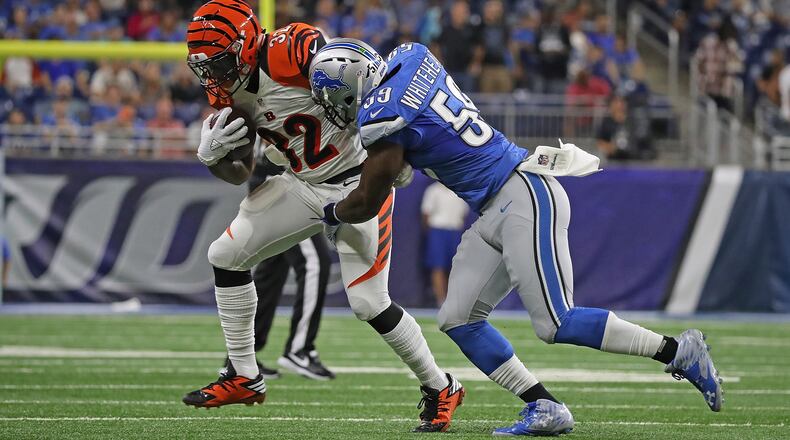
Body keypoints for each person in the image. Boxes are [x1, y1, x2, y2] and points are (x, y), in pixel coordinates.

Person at [309, 39, 723, 436]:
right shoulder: (411, 58)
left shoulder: (382, 116)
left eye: (331, 96)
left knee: (556, 321)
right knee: (458, 318)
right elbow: (417, 142)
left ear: (350, 86)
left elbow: (365, 201)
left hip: (521, 193)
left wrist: (329, 213)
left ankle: (676, 351)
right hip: (494, 205)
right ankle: (543, 405)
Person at [181, 2, 463, 432]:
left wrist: (395, 150)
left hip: (358, 183)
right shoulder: (227, 89)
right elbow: (238, 170)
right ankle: (244, 375)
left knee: (370, 303)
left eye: (218, 62)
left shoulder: (289, 52)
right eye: (205, 67)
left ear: (244, 44)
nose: (212, 76)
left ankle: (442, 386)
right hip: (301, 183)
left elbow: (366, 81)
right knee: (225, 254)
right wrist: (213, 158)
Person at [228, 153, 334, 381]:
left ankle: (241, 358)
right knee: (314, 263)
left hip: (271, 181)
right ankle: (300, 349)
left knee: (272, 268)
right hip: (281, 186)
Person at [421, 182, 468, 305]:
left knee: (456, 267)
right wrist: (432, 232)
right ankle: (441, 301)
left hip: (455, 231)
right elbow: (426, 213)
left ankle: (455, 301)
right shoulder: (433, 191)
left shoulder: (460, 191)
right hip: (437, 231)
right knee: (438, 266)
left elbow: (463, 213)